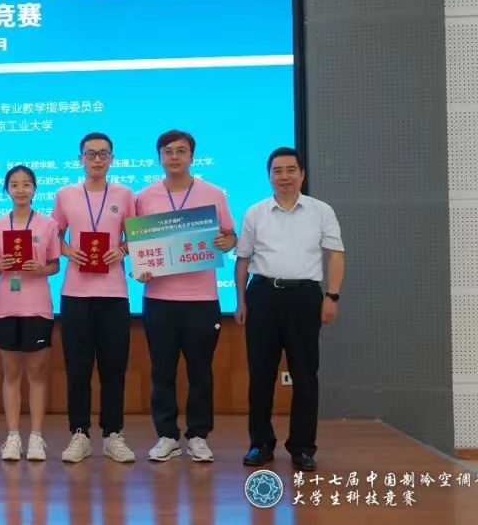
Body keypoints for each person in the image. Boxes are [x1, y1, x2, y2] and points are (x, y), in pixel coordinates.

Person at [235, 147, 345, 472]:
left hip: (304, 297)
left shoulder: (320, 211)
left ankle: (302, 448)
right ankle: (260, 444)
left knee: (305, 375)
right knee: (261, 375)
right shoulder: (255, 212)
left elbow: (335, 254)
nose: (284, 176)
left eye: (290, 170)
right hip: (263, 296)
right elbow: (243, 260)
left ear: (302, 174)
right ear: (269, 176)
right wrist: (240, 300)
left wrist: (332, 296)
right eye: (277, 171)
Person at [134, 130, 237, 463]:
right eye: (168, 151)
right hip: (159, 299)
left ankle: (198, 436)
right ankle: (167, 436)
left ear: (192, 156)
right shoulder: (144, 197)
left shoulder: (213, 193)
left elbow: (230, 235)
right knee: (162, 370)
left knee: (200, 371)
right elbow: (137, 245)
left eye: (181, 151)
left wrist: (227, 242)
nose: (174, 156)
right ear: (159, 157)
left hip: (202, 299)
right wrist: (140, 268)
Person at [52, 132, 137, 463]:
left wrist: (122, 250)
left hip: (114, 294)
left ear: (112, 159)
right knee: (78, 368)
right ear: (81, 159)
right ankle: (80, 434)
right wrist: (68, 251)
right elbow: (54, 235)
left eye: (103, 154)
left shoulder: (125, 194)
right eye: (91, 154)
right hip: (76, 294)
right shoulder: (65, 195)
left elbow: (136, 236)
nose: (97, 159)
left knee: (114, 368)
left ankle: (113, 435)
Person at [0, 165, 61, 462]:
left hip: (38, 307)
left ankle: (36, 437)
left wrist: (42, 269)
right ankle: (13, 436)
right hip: (5, 306)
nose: (21, 190)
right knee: (11, 373)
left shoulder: (48, 224)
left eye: (26, 184)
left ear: (35, 189)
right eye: (15, 185)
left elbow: (55, 265)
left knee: (37, 374)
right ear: (6, 190)